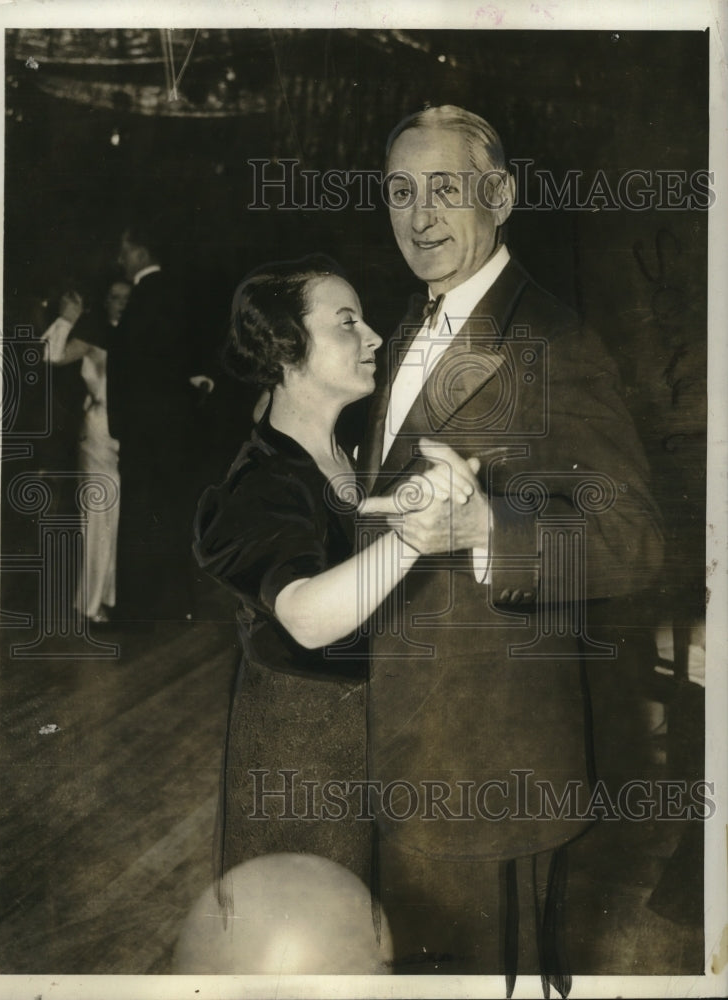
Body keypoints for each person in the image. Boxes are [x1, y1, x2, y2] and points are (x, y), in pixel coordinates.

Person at [358, 106, 665, 992]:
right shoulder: (404, 326)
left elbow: (634, 540)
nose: (419, 216)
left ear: (501, 194)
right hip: (400, 739)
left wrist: (490, 531)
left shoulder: (556, 339)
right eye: (400, 192)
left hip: (492, 761)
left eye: (445, 190)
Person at [192, 255, 481, 962]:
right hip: (300, 748)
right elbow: (308, 615)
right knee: (305, 950)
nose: (375, 336)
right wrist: (417, 534)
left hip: (368, 732)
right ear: (285, 348)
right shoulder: (258, 482)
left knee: (365, 939)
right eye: (347, 322)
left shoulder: (348, 458)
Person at [108, 221, 214, 624]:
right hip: (171, 428)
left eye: (124, 250)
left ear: (140, 253)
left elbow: (135, 369)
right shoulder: (173, 292)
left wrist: (121, 428)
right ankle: (177, 603)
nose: (119, 259)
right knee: (169, 513)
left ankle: (136, 611)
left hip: (145, 430)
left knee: (140, 515)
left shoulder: (146, 296)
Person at [41, 276, 131, 623]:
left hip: (129, 435)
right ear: (105, 302)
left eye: (126, 297)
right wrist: (67, 318)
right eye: (114, 296)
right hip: (98, 433)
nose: (121, 303)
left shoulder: (137, 333)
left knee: (117, 518)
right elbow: (51, 354)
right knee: (98, 518)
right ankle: (92, 604)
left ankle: (108, 599)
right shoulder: (95, 336)